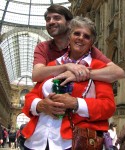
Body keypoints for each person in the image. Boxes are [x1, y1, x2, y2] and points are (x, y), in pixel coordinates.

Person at [22, 16, 116, 150]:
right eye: (76, 33)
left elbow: (108, 106)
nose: (80, 38)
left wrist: (75, 103)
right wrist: (41, 105)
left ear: (91, 43)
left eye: (86, 36)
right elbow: (29, 98)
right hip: (36, 141)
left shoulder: (98, 67)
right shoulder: (54, 65)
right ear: (69, 38)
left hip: (71, 142)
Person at [32, 4, 125, 85]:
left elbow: (118, 72)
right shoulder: (43, 47)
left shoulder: (83, 46)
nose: (51, 22)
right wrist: (66, 66)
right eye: (48, 19)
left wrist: (80, 74)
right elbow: (36, 75)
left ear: (69, 24)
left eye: (57, 18)